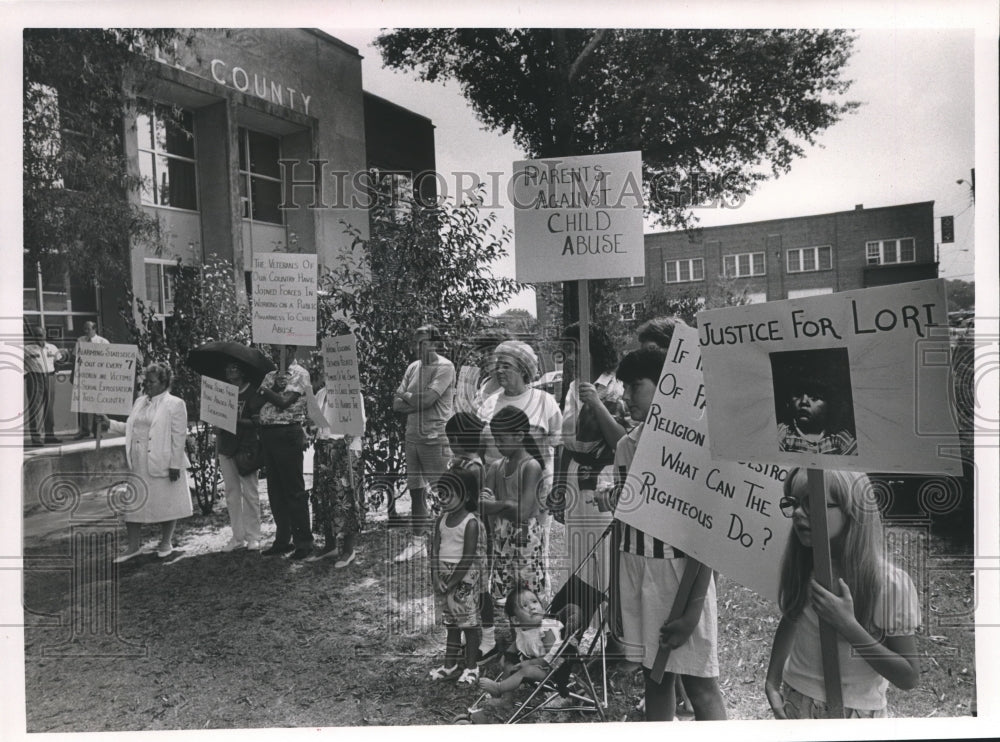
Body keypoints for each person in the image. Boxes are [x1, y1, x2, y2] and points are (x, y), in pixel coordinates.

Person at [611, 347, 727, 721]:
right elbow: (624, 523)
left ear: (667, 386)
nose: (626, 397)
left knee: (699, 682)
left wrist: (692, 612)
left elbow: (707, 534)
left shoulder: (695, 448)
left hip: (680, 574)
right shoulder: (625, 446)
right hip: (636, 569)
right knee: (654, 674)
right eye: (623, 387)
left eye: (635, 386)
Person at [765, 468, 921, 719]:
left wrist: (848, 625)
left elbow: (908, 676)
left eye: (811, 503)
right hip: (796, 698)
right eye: (793, 503)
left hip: (853, 712)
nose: (796, 513)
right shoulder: (806, 565)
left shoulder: (887, 584)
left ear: (852, 509)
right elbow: (793, 616)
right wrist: (772, 681)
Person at [550, 323, 627, 620]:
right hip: (573, 476)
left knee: (602, 554)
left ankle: (613, 626)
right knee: (579, 551)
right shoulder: (573, 387)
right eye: (569, 350)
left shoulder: (615, 387)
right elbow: (566, 444)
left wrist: (596, 403)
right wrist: (558, 487)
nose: (572, 357)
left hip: (601, 478)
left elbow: (622, 441)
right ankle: (578, 621)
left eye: (577, 349)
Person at [106, 362, 193, 562]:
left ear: (164, 382)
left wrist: (175, 463)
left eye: (152, 381)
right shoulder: (139, 402)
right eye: (146, 381)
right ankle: (133, 546)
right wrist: (109, 423)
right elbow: (132, 427)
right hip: (138, 459)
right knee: (134, 502)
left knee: (166, 500)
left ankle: (166, 542)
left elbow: (179, 436)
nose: (147, 385)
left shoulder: (175, 404)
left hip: (162, 457)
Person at [392, 324, 456, 562]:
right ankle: (418, 541)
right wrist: (414, 400)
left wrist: (407, 397)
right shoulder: (413, 367)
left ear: (435, 342)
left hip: (436, 437)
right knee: (416, 491)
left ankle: (449, 541)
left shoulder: (445, 366)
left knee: (444, 491)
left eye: (424, 341)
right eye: (416, 341)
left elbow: (429, 400)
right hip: (412, 437)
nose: (418, 346)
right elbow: (395, 404)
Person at [482, 406, 550, 607]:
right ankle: (515, 637)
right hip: (503, 540)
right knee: (506, 596)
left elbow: (523, 512)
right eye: (495, 438)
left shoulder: (531, 466)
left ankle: (531, 638)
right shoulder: (496, 467)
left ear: (519, 436)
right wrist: (507, 505)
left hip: (526, 540)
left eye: (501, 439)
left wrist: (498, 504)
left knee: (528, 597)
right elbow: (482, 505)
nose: (497, 444)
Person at [428, 469, 486, 685]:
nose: (443, 499)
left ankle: (472, 667)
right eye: (441, 494)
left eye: (449, 494)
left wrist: (452, 582)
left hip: (463, 580)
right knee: (451, 622)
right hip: (443, 576)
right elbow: (434, 549)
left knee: (468, 624)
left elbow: (468, 557)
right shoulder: (441, 520)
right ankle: (450, 664)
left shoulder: (471, 523)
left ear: (467, 496)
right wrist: (435, 575)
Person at [256, 345, 314, 560]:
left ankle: (304, 541)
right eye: (272, 349)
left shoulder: (300, 373)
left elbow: (284, 402)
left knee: (294, 489)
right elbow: (256, 402)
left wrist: (265, 390)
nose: (274, 354)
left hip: (287, 432)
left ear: (291, 351)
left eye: (279, 350)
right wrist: (270, 387)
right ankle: (283, 539)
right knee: (275, 490)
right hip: (268, 433)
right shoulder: (270, 375)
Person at [306, 380, 365, 568]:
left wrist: (349, 434)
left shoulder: (352, 393)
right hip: (324, 450)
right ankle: (329, 545)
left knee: (345, 498)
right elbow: (314, 423)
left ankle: (348, 549)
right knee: (324, 497)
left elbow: (359, 424)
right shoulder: (321, 393)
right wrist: (312, 426)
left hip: (345, 451)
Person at [477, 585, 567, 701]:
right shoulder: (522, 630)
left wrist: (529, 663)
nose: (532, 607)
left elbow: (552, 657)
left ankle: (499, 688)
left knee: (526, 670)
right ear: (516, 620)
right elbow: (516, 644)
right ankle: (506, 699)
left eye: (534, 602)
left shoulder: (547, 630)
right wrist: (507, 656)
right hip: (536, 666)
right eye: (524, 606)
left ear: (543, 608)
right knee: (508, 666)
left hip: (552, 672)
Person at [215, 361, 264, 552]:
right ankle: (237, 536)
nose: (229, 370)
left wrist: (235, 421)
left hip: (246, 447)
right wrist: (217, 424)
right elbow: (216, 415)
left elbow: (257, 422)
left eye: (234, 367)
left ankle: (254, 535)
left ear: (243, 371)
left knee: (250, 492)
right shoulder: (222, 391)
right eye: (227, 367)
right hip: (226, 446)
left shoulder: (252, 392)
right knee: (231, 493)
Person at [776, 374, 858, 456]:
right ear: (788, 402)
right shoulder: (782, 433)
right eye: (797, 395)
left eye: (814, 397)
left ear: (830, 405)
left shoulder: (840, 438)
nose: (803, 401)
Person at [23, 325, 64, 446]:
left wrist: (54, 371)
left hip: (50, 377)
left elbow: (59, 361)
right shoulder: (27, 349)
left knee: (49, 408)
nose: (38, 338)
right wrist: (26, 374)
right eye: (35, 335)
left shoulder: (52, 347)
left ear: (45, 335)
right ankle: (36, 439)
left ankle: (50, 436)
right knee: (35, 408)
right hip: (35, 378)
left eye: (40, 335)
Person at [73, 321, 110, 439]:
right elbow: (76, 358)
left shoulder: (103, 342)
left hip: (98, 376)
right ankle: (84, 430)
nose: (86, 332)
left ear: (94, 329)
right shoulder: (80, 341)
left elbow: (109, 360)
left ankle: (97, 430)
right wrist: (73, 374)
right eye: (84, 329)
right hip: (84, 376)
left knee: (97, 404)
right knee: (83, 403)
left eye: (88, 329)